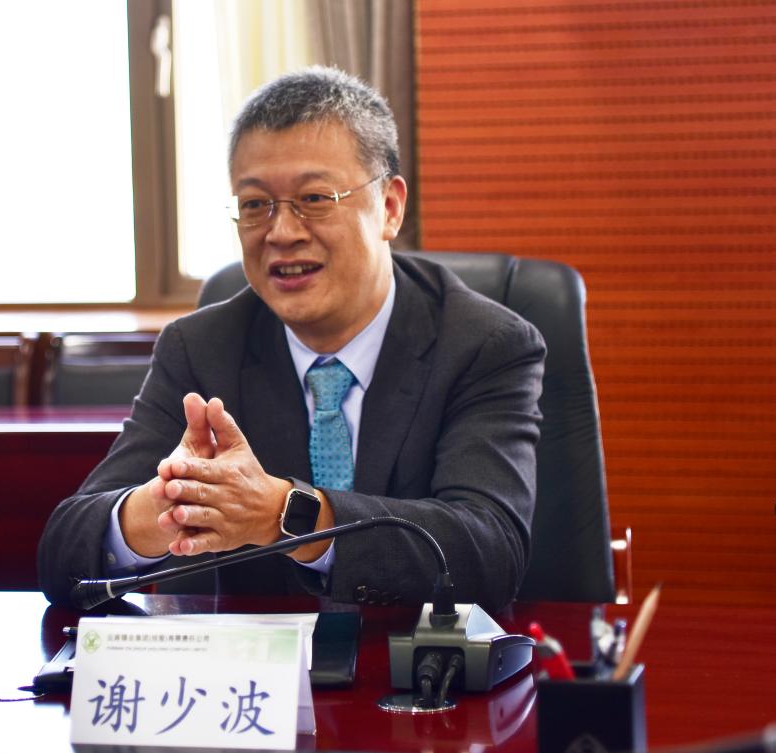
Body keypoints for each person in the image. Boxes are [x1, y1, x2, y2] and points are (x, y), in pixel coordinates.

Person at [37, 66, 546, 612]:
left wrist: (287, 514)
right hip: (252, 664)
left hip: (416, 657)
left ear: (390, 208)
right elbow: (63, 556)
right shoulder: (203, 347)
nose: (282, 232)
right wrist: (161, 508)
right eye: (255, 204)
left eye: (315, 197)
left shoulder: (482, 344)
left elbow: (489, 553)